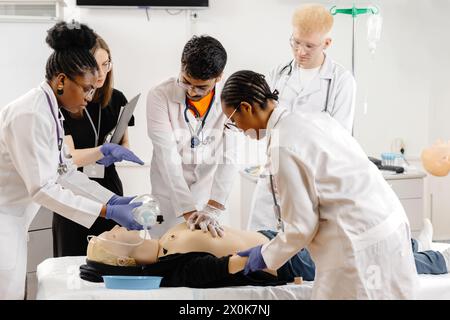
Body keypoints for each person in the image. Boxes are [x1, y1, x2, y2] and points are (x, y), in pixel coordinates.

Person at [220, 70, 418, 299]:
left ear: (247, 107)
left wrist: (263, 256)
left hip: (359, 244)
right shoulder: (313, 119)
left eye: (233, 121)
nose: (238, 129)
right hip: (387, 225)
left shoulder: (282, 145)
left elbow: (301, 227)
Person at [0, 21, 143, 299]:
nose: (90, 97)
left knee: (14, 289)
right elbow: (43, 188)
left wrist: (112, 200)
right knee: (9, 291)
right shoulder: (31, 114)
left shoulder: (51, 111)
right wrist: (106, 211)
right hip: (4, 217)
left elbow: (64, 171)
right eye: (87, 89)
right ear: (62, 80)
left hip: (14, 217)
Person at [80, 220, 450, 288]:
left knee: (356, 241)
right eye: (107, 238)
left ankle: (417, 245)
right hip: (287, 258)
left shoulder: (162, 241)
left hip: (278, 236)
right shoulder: (177, 271)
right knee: (366, 258)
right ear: (123, 260)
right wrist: (266, 256)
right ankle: (436, 259)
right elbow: (225, 267)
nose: (112, 228)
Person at [248, 3, 357, 232]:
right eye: (296, 42)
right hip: (274, 178)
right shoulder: (278, 74)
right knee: (258, 245)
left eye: (309, 46)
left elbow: (338, 139)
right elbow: (263, 122)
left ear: (327, 43)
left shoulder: (341, 81)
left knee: (308, 259)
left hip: (315, 182)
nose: (300, 51)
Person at [53, 34, 143, 257]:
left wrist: (119, 152)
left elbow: (124, 141)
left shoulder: (117, 99)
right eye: (95, 66)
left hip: (109, 185)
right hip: (73, 188)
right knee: (72, 260)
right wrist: (101, 151)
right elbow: (69, 157)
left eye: (106, 64)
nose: (102, 73)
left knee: (111, 256)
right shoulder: (65, 103)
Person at [146, 35, 237, 238]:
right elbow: (166, 154)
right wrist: (188, 210)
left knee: (210, 260)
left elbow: (230, 156)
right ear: (181, 65)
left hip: (209, 195)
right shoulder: (159, 95)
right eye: (186, 82)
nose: (192, 91)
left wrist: (213, 207)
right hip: (169, 197)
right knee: (167, 254)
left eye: (202, 87)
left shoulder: (230, 98)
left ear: (219, 77)